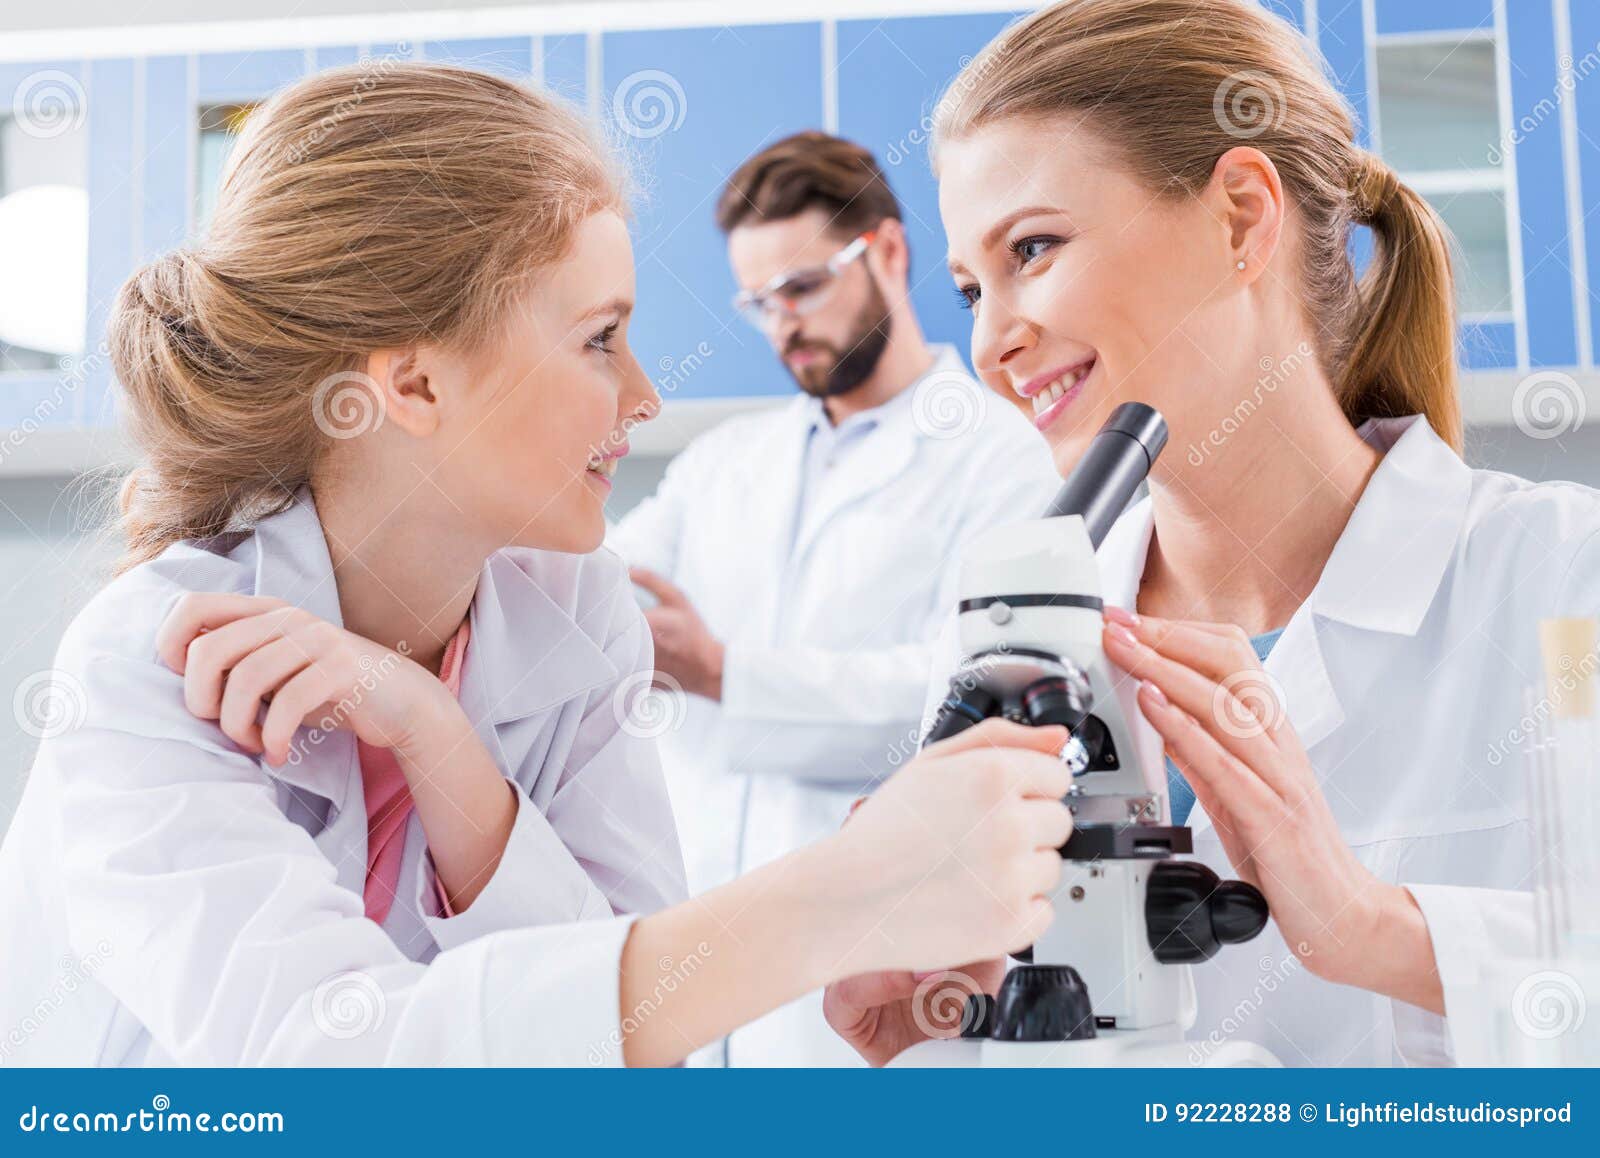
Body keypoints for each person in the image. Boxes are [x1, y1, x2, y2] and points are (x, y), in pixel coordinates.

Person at [0, 63, 1074, 1067]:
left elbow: (620, 1053)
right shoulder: (152, 662)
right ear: (415, 388)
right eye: (599, 338)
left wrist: (440, 739)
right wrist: (846, 894)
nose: (644, 394)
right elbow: (337, 1075)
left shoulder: (575, 607)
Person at [826, 0, 1600, 1067]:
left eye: (1033, 249)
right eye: (968, 288)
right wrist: (941, 1031)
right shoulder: (1018, 632)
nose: (989, 341)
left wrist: (1368, 927)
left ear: (1238, 217)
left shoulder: (1563, 581)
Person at [606, 132, 1058, 1064]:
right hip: (694, 973)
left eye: (804, 287)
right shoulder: (723, 464)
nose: (782, 325)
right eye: (758, 302)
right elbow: (598, 591)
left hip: (877, 978)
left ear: (888, 253)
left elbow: (971, 708)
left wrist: (726, 673)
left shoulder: (1005, 454)